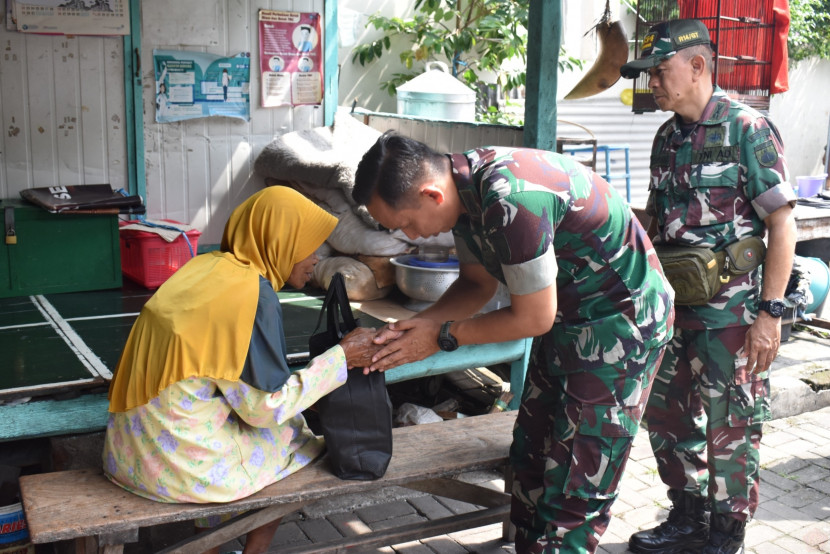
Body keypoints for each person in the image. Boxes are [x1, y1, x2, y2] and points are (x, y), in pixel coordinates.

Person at [351, 132, 675, 553]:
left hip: (621, 327)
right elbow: (475, 285)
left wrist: (443, 336)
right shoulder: (462, 194)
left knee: (577, 482)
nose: (412, 235)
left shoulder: (511, 198)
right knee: (531, 459)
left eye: (406, 224)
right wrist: (412, 330)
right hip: (567, 323)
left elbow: (531, 317)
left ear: (430, 194)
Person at [103, 186, 380, 554]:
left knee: (225, 416)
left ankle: (210, 548)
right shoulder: (252, 296)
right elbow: (265, 409)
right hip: (179, 469)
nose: (315, 258)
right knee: (296, 440)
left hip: (129, 454)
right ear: (279, 241)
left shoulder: (204, 266)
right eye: (307, 246)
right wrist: (341, 358)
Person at [619, 19, 798, 554]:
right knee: (666, 412)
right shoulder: (666, 137)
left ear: (697, 66)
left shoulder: (747, 128)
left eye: (660, 69)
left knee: (733, 420)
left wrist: (770, 313)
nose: (652, 81)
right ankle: (688, 513)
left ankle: (727, 530)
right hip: (674, 306)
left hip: (733, 312)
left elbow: (782, 224)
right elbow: (654, 220)